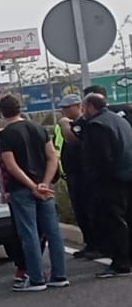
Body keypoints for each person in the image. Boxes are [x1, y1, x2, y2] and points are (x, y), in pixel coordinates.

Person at [0, 94, 68, 291]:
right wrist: (43, 183)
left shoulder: (6, 135)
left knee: (29, 234)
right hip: (45, 188)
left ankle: (36, 278)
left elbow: (10, 166)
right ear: (21, 108)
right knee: (53, 232)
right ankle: (59, 275)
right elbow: (53, 157)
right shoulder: (39, 128)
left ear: (1, 112)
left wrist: (31, 186)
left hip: (22, 189)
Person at [78, 92, 132, 277]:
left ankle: (120, 263)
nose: (82, 112)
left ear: (91, 106)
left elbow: (102, 158)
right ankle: (127, 258)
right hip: (127, 177)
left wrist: (97, 183)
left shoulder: (96, 126)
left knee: (114, 222)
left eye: (83, 108)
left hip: (110, 182)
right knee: (127, 219)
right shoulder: (119, 120)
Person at [55, 94, 98, 259]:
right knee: (80, 212)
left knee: (89, 211)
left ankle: (97, 244)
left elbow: (74, 141)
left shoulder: (83, 123)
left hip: (85, 176)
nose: (63, 111)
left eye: (67, 107)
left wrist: (66, 126)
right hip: (72, 176)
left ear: (78, 106)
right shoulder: (65, 125)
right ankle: (90, 243)